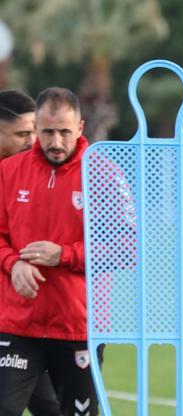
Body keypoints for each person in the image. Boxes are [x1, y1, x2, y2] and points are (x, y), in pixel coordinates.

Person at [0, 87, 99, 416]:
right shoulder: (9, 171)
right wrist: (13, 263)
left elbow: (124, 248)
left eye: (64, 132)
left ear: (81, 128)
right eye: (46, 133)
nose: (55, 142)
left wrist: (65, 255)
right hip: (18, 326)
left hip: (77, 327)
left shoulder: (103, 175)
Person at [0, 89, 63, 416]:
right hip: (13, 321)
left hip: (26, 320)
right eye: (22, 134)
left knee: (51, 406)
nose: (31, 141)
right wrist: (13, 263)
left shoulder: (35, 173)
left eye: (33, 132)